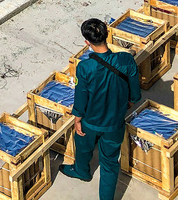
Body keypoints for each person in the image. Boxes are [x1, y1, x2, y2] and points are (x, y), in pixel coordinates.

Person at [60, 18, 140, 200]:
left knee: (82, 145)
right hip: (114, 123)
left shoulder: (85, 67)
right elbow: (135, 92)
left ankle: (82, 171)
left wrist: (77, 118)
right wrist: (130, 101)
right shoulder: (126, 60)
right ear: (107, 34)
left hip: (90, 120)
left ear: (87, 42)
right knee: (110, 162)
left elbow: (81, 96)